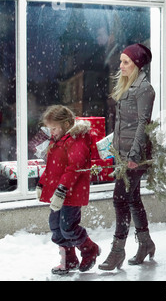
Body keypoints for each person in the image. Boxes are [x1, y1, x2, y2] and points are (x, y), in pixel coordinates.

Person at [99, 43, 156, 271]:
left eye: (125, 62)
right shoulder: (127, 85)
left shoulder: (145, 89)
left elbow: (143, 123)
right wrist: (114, 149)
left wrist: (133, 154)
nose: (120, 65)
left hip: (136, 154)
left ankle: (117, 250)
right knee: (132, 198)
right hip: (123, 153)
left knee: (119, 199)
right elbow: (122, 123)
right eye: (121, 61)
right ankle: (146, 243)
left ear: (137, 65)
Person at [37, 105, 101, 274]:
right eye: (49, 129)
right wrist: (42, 183)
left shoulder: (77, 139)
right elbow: (52, 169)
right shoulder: (56, 141)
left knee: (68, 227)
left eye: (54, 128)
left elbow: (74, 167)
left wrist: (62, 189)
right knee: (55, 227)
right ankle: (69, 260)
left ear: (66, 125)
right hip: (59, 193)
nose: (52, 132)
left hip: (72, 193)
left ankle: (89, 249)